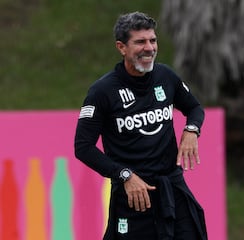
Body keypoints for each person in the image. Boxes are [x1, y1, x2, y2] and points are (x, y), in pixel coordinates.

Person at [74, 11, 207, 240]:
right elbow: (83, 147)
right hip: (134, 195)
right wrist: (124, 175)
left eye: (153, 40)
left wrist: (192, 130)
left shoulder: (166, 76)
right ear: (121, 47)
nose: (149, 48)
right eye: (140, 42)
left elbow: (195, 109)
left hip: (172, 187)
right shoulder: (102, 91)